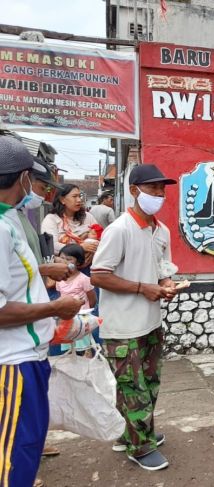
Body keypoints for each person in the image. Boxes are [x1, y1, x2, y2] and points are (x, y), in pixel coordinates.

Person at [0, 134, 83, 486]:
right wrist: (55, 308)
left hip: (26, 357)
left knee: (27, 448)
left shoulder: (10, 221)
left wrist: (45, 272)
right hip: (13, 363)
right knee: (13, 459)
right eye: (34, 181)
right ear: (21, 178)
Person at [91, 164, 178, 471]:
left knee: (148, 382)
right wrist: (143, 288)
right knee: (133, 388)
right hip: (123, 326)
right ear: (133, 191)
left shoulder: (161, 230)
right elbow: (98, 276)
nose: (159, 194)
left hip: (151, 322)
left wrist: (167, 285)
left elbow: (163, 269)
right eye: (153, 188)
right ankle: (139, 447)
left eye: (162, 189)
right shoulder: (119, 230)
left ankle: (128, 433)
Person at [41, 183, 99, 265]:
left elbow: (100, 236)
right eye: (74, 196)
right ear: (62, 200)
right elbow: (51, 246)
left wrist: (92, 249)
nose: (79, 200)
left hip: (89, 266)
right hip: (63, 269)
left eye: (79, 196)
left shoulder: (88, 217)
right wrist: (80, 248)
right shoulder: (51, 219)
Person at [56, 244, 97, 353]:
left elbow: (92, 300)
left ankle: (88, 368)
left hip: (82, 320)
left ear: (78, 263)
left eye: (69, 259)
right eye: (61, 258)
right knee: (69, 349)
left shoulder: (83, 279)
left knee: (85, 349)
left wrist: (84, 311)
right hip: (67, 319)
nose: (64, 262)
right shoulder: (59, 279)